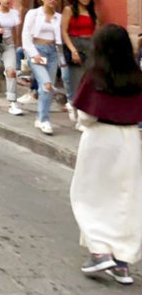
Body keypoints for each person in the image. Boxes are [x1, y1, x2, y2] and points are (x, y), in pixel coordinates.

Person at [70, 24, 142, 285]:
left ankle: (100, 251)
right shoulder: (136, 76)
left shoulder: (94, 76)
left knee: (90, 196)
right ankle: (122, 263)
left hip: (100, 137)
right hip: (130, 139)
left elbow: (86, 115)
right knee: (125, 198)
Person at [22, 0, 63, 135]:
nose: (53, 0)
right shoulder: (33, 14)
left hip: (52, 53)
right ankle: (45, 120)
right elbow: (26, 35)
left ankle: (40, 117)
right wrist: (33, 54)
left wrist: (61, 59)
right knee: (46, 85)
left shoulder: (59, 17)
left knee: (48, 87)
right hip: (37, 50)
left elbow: (60, 40)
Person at [62, 0, 99, 126]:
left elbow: (96, 29)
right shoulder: (69, 10)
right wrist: (73, 50)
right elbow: (64, 31)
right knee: (77, 81)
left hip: (90, 45)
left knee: (90, 81)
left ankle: (86, 114)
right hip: (75, 44)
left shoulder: (92, 11)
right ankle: (78, 117)